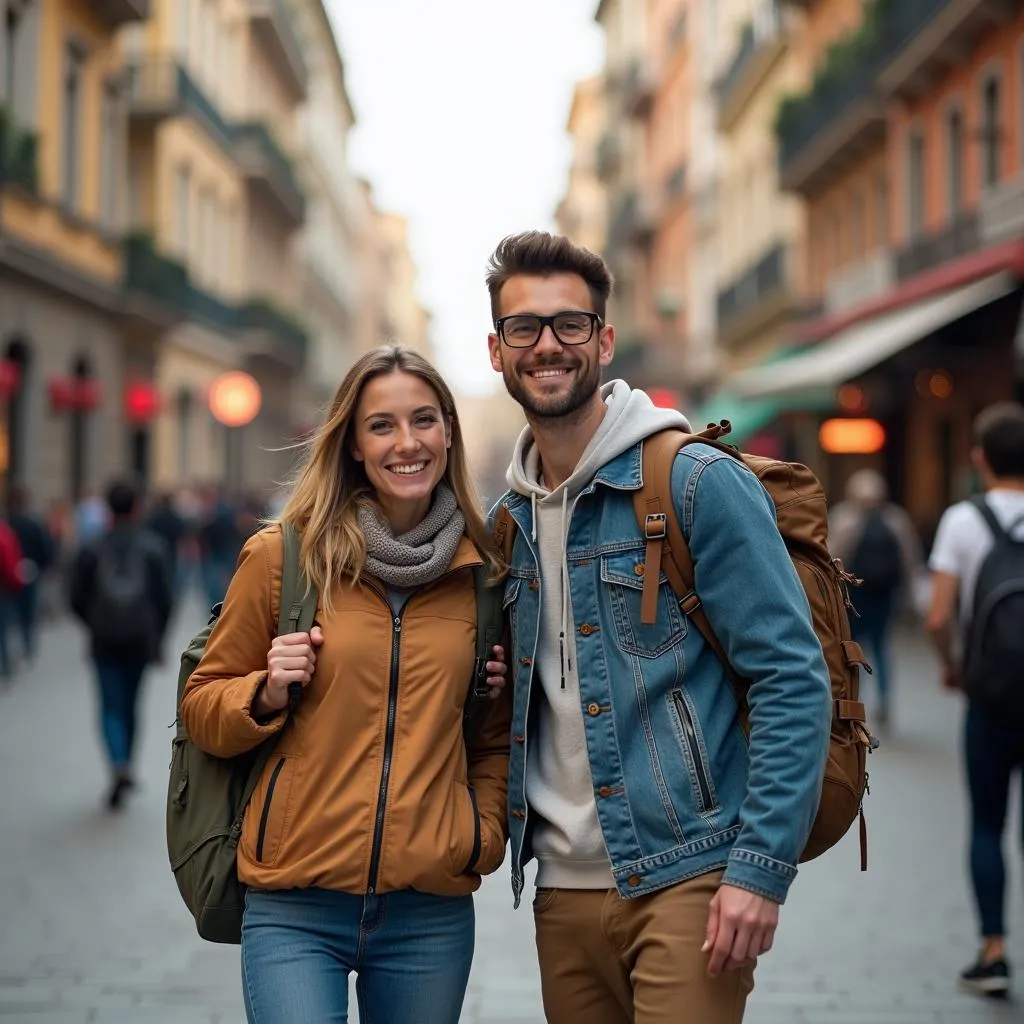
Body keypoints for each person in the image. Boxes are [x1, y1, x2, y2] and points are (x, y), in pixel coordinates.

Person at [485, 232, 833, 1024]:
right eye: (524, 329)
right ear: (496, 352)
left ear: (605, 340)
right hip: (561, 894)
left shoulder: (694, 480)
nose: (548, 346)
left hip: (689, 876)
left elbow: (791, 677)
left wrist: (758, 869)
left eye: (571, 325)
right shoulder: (505, 522)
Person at [180, 345, 512, 1024]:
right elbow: (201, 708)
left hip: (429, 913)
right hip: (296, 905)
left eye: (424, 420)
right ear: (354, 445)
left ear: (449, 432)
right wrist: (264, 692)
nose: (407, 442)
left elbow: (492, 735)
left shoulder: (485, 576)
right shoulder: (283, 558)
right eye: (382, 426)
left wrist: (479, 832)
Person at [926, 401, 1024, 1000]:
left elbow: (938, 614)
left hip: (990, 696)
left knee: (988, 824)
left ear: (979, 458)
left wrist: (954, 667)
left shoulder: (964, 521)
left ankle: (993, 951)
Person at [69, 479, 173, 809]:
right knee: (131, 704)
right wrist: (158, 638)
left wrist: (94, 623)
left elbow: (74, 597)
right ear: (137, 507)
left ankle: (117, 762)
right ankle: (126, 760)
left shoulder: (92, 546)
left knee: (109, 705)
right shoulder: (153, 547)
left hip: (104, 640)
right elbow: (165, 599)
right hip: (140, 638)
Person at [828, 468, 922, 730]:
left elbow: (832, 557)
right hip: (884, 596)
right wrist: (911, 599)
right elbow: (909, 560)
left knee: (854, 649)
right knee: (881, 647)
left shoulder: (844, 518)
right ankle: (884, 700)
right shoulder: (896, 519)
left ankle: (854, 700)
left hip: (855, 598)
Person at [7, 485, 57, 665]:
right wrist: (45, 566)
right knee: (29, 611)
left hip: (9, 574)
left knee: (10, 613)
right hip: (31, 570)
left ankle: (12, 651)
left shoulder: (8, 523)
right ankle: (27, 644)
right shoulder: (33, 523)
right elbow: (45, 547)